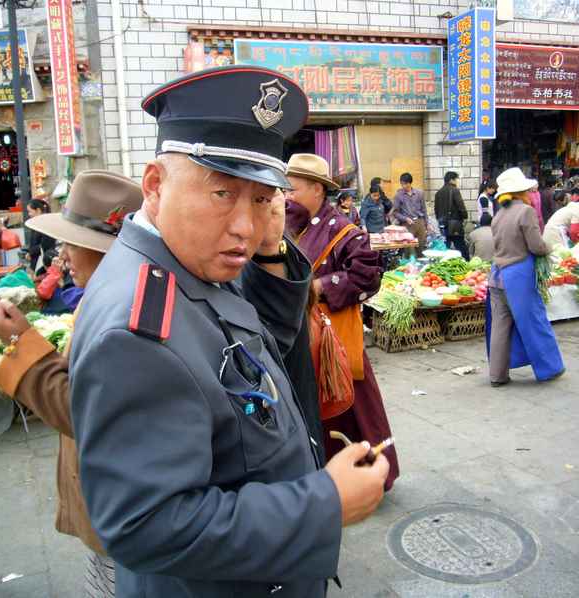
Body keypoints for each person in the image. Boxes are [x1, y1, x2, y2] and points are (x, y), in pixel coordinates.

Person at [69, 66, 390, 598]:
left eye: (262, 200)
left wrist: (270, 248)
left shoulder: (190, 259)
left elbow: (266, 342)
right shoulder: (138, 331)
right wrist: (323, 503)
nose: (244, 224)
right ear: (154, 185)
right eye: (222, 192)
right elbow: (145, 524)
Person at [0, 171, 143, 598]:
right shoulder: (112, 294)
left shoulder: (124, 310)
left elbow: (85, 412)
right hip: (111, 505)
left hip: (123, 512)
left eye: (72, 242)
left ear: (104, 251)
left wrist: (21, 342)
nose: (63, 254)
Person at [284, 153, 399, 490]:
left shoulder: (345, 231)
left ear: (318, 189)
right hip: (302, 337)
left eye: (292, 190)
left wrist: (318, 287)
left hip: (336, 341)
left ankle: (373, 475)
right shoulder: (290, 225)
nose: (286, 197)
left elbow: (367, 277)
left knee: (356, 409)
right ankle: (325, 473)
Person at [487, 167, 565, 387]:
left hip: (496, 276)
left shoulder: (499, 214)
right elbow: (536, 246)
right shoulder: (525, 212)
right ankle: (550, 369)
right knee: (535, 322)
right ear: (522, 191)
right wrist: (550, 247)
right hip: (518, 276)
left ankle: (497, 376)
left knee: (500, 326)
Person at [434, 171, 470, 260]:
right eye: (456, 179)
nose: (457, 182)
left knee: (445, 247)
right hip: (454, 224)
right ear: (451, 180)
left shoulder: (438, 193)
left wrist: (440, 220)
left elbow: (436, 210)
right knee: (461, 247)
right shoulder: (454, 190)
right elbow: (460, 205)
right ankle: (467, 264)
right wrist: (465, 216)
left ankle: (444, 264)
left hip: (443, 225)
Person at [392, 172, 427, 255]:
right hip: (407, 225)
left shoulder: (419, 193)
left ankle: (421, 266)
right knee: (409, 250)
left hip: (419, 222)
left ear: (410, 183)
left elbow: (424, 209)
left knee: (421, 247)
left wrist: (427, 223)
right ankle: (410, 266)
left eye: (406, 184)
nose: (404, 186)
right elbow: (395, 212)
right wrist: (405, 219)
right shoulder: (398, 195)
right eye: (402, 184)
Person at [25, 198, 56, 272]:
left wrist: (31, 253)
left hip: (44, 263)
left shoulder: (47, 224)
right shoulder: (36, 224)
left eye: (30, 211)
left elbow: (45, 245)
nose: (29, 214)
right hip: (36, 262)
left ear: (38, 210)